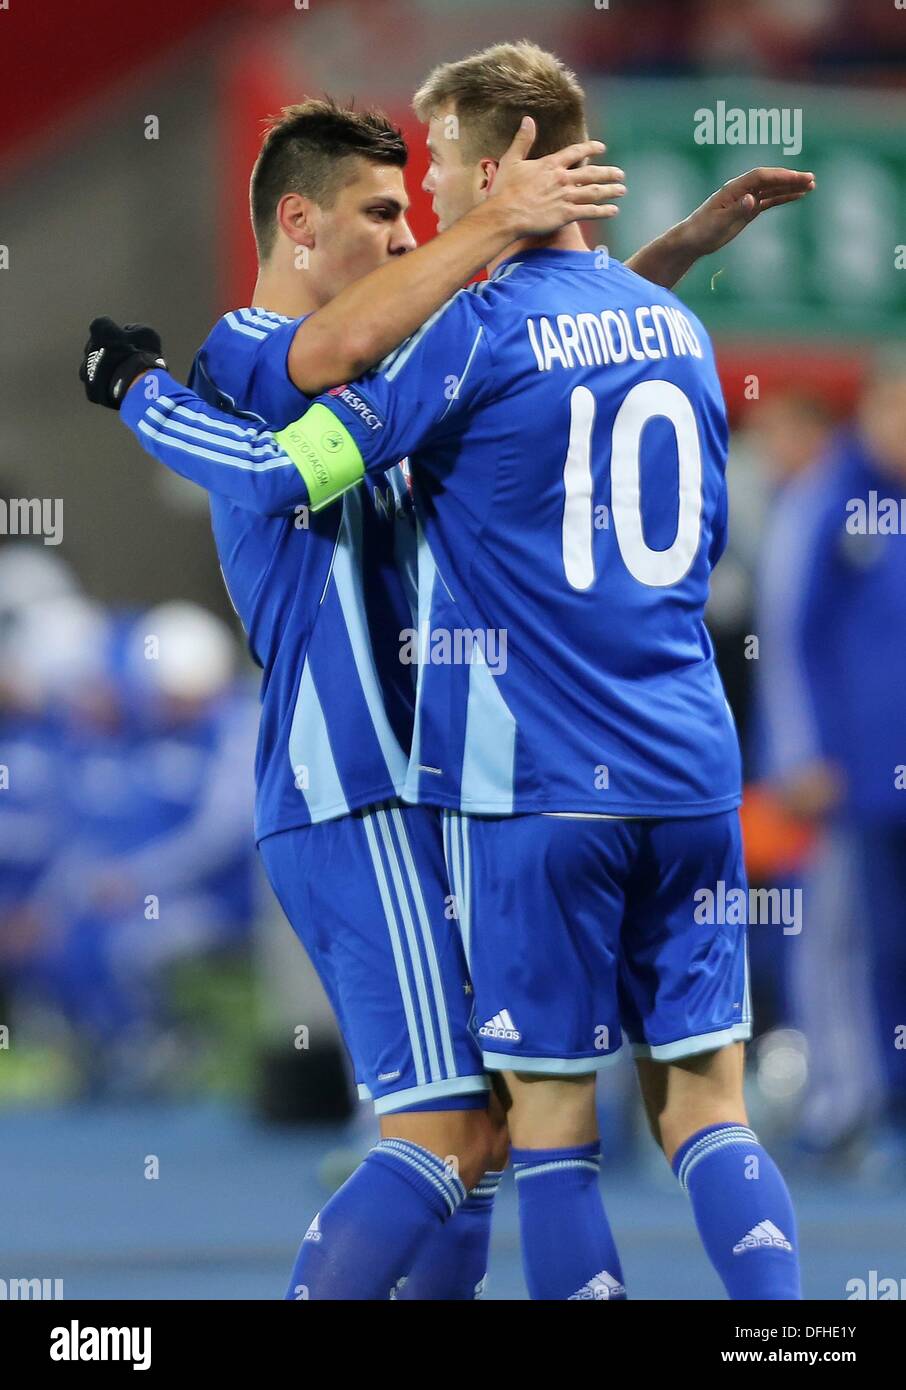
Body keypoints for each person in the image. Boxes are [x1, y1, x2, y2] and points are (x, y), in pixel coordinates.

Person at [82, 47, 813, 1299]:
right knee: (457, 1133)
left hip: (461, 786)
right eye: (385, 213)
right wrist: (137, 386)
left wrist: (645, 264)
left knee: (482, 1137)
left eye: (424, 203)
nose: (415, 229)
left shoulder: (428, 351)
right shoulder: (259, 350)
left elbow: (541, 371)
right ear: (297, 224)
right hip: (352, 782)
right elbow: (301, 431)